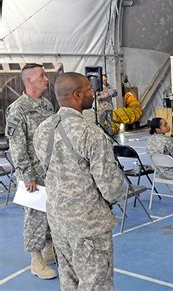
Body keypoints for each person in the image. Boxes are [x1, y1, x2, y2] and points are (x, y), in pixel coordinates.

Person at [33, 72, 125, 290]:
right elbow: (111, 188)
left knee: (69, 280)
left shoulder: (42, 130)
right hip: (89, 227)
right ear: (76, 95)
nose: (92, 94)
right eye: (88, 90)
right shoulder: (89, 133)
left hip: (58, 222)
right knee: (95, 283)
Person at [5, 63, 57, 280]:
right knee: (35, 215)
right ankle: (36, 259)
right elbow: (16, 147)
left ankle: (49, 249)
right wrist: (27, 176)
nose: (46, 79)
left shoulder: (46, 105)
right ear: (29, 81)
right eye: (42, 75)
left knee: (52, 212)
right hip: (33, 174)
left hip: (51, 171)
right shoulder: (18, 109)